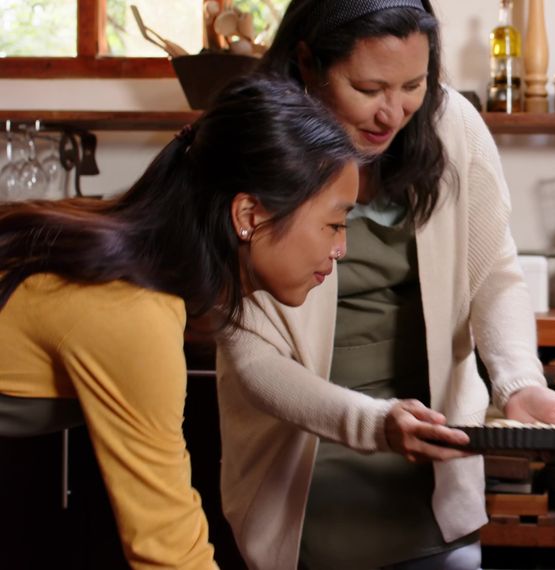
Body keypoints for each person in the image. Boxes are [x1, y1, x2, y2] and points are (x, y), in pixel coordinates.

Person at [214, 0, 555, 568]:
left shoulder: (452, 125)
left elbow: (495, 274)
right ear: (309, 64)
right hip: (303, 466)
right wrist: (374, 423)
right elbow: (252, 358)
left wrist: (517, 383)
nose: (394, 112)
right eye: (368, 88)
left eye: (414, 84)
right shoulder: (255, 150)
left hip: (432, 461)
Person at [0, 75, 364, 569]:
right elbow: (169, 553)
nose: (340, 249)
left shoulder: (132, 268)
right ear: (249, 215)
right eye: (334, 223)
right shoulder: (131, 313)